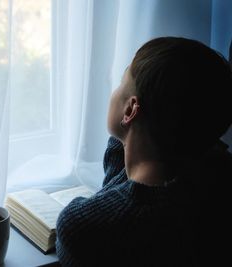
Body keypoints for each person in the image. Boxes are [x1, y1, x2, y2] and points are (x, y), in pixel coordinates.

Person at [55, 37, 232, 266]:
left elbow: (109, 207)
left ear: (130, 109)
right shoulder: (218, 172)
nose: (115, 90)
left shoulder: (80, 227)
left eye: (121, 82)